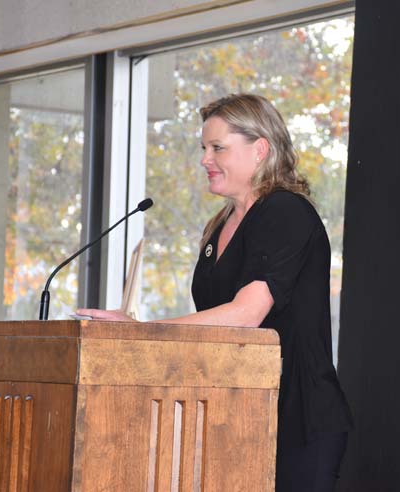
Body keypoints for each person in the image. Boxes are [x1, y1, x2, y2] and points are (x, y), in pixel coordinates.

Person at [78, 93, 353, 491]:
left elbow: (245, 316)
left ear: (260, 149)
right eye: (204, 148)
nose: (205, 159)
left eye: (217, 148)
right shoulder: (219, 225)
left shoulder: (286, 211)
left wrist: (140, 329)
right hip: (233, 413)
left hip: (296, 419)